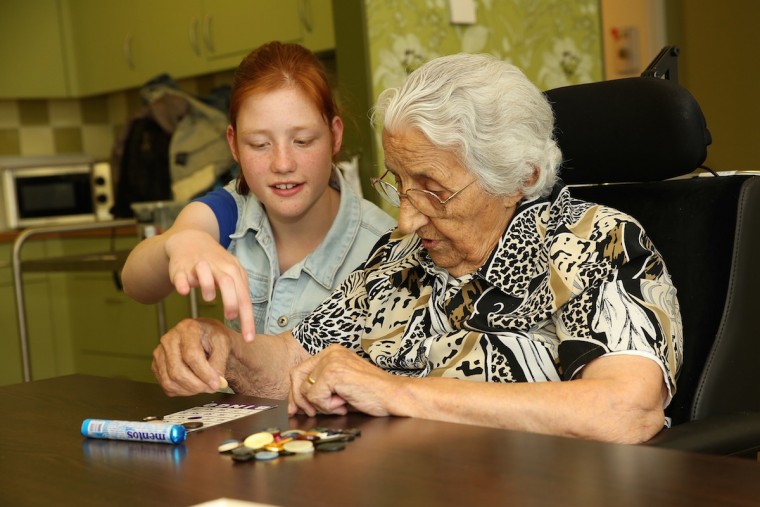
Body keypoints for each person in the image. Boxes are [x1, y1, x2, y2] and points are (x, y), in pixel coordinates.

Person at [150, 52, 683, 445]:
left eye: (432, 186)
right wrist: (219, 346)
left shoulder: (592, 239)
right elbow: (294, 357)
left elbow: (625, 408)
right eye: (399, 183)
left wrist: (400, 393)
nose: (406, 215)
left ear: (519, 175)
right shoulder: (403, 255)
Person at [121, 41, 395, 342]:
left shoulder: (385, 248)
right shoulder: (230, 212)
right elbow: (136, 284)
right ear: (234, 144)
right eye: (259, 145)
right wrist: (178, 242)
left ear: (335, 135)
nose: (282, 163)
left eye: (302, 141)